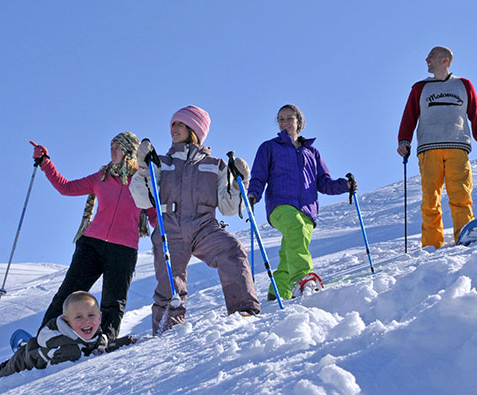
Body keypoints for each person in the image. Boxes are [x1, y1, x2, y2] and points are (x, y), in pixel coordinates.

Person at [129, 105, 260, 335]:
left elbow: (229, 207)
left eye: (180, 124)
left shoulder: (215, 165)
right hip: (170, 226)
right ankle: (167, 329)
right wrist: (143, 168)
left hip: (204, 225)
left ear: (195, 129)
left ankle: (244, 310)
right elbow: (143, 199)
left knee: (232, 250)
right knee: (170, 281)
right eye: (172, 124)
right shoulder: (161, 162)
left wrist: (242, 181)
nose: (174, 128)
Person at [30, 132, 156, 345]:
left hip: (123, 249)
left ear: (128, 152)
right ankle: (45, 336)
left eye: (117, 147)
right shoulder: (101, 177)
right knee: (68, 294)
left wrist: (170, 232)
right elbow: (66, 187)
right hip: (91, 245)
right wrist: (45, 162)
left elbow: (154, 216)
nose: (112, 151)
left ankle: (104, 339)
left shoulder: (142, 182)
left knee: (113, 301)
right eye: (111, 146)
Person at [0, 291, 136, 395]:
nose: (86, 322)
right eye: (79, 317)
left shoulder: (91, 333)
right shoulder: (68, 350)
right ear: (66, 320)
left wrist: (122, 342)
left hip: (31, 352)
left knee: (1, 365)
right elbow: (87, 357)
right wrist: (113, 346)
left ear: (100, 317)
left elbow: (99, 344)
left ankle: (21, 348)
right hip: (20, 365)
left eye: (91, 316)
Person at [247, 104, 353, 301]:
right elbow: (259, 175)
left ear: (299, 122)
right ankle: (304, 280)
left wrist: (345, 185)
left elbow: (323, 183)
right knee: (294, 229)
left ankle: (278, 290)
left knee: (291, 249)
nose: (285, 123)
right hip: (280, 205)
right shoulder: (269, 147)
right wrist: (253, 194)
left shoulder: (312, 152)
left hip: (307, 210)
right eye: (281, 119)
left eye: (289, 118)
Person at [397, 46, 477, 249]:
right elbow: (409, 118)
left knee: (461, 194)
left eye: (431, 56)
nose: (427, 59)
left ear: (445, 60)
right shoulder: (419, 88)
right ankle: (431, 244)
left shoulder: (464, 85)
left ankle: (466, 235)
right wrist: (404, 141)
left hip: (457, 147)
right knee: (430, 198)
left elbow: (476, 116)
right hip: (428, 149)